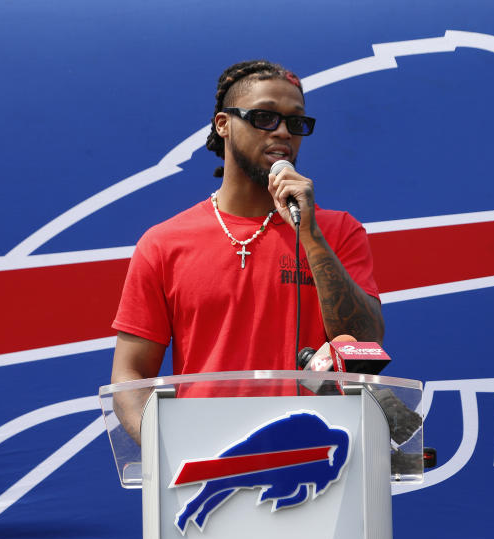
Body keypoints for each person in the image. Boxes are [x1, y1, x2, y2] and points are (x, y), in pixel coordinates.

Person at [110, 60, 384, 439]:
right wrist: (165, 455)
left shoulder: (337, 231)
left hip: (319, 461)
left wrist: (310, 236)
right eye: (265, 117)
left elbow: (365, 343)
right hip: (205, 461)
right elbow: (131, 374)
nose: (283, 132)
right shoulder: (163, 243)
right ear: (223, 124)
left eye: (296, 122)